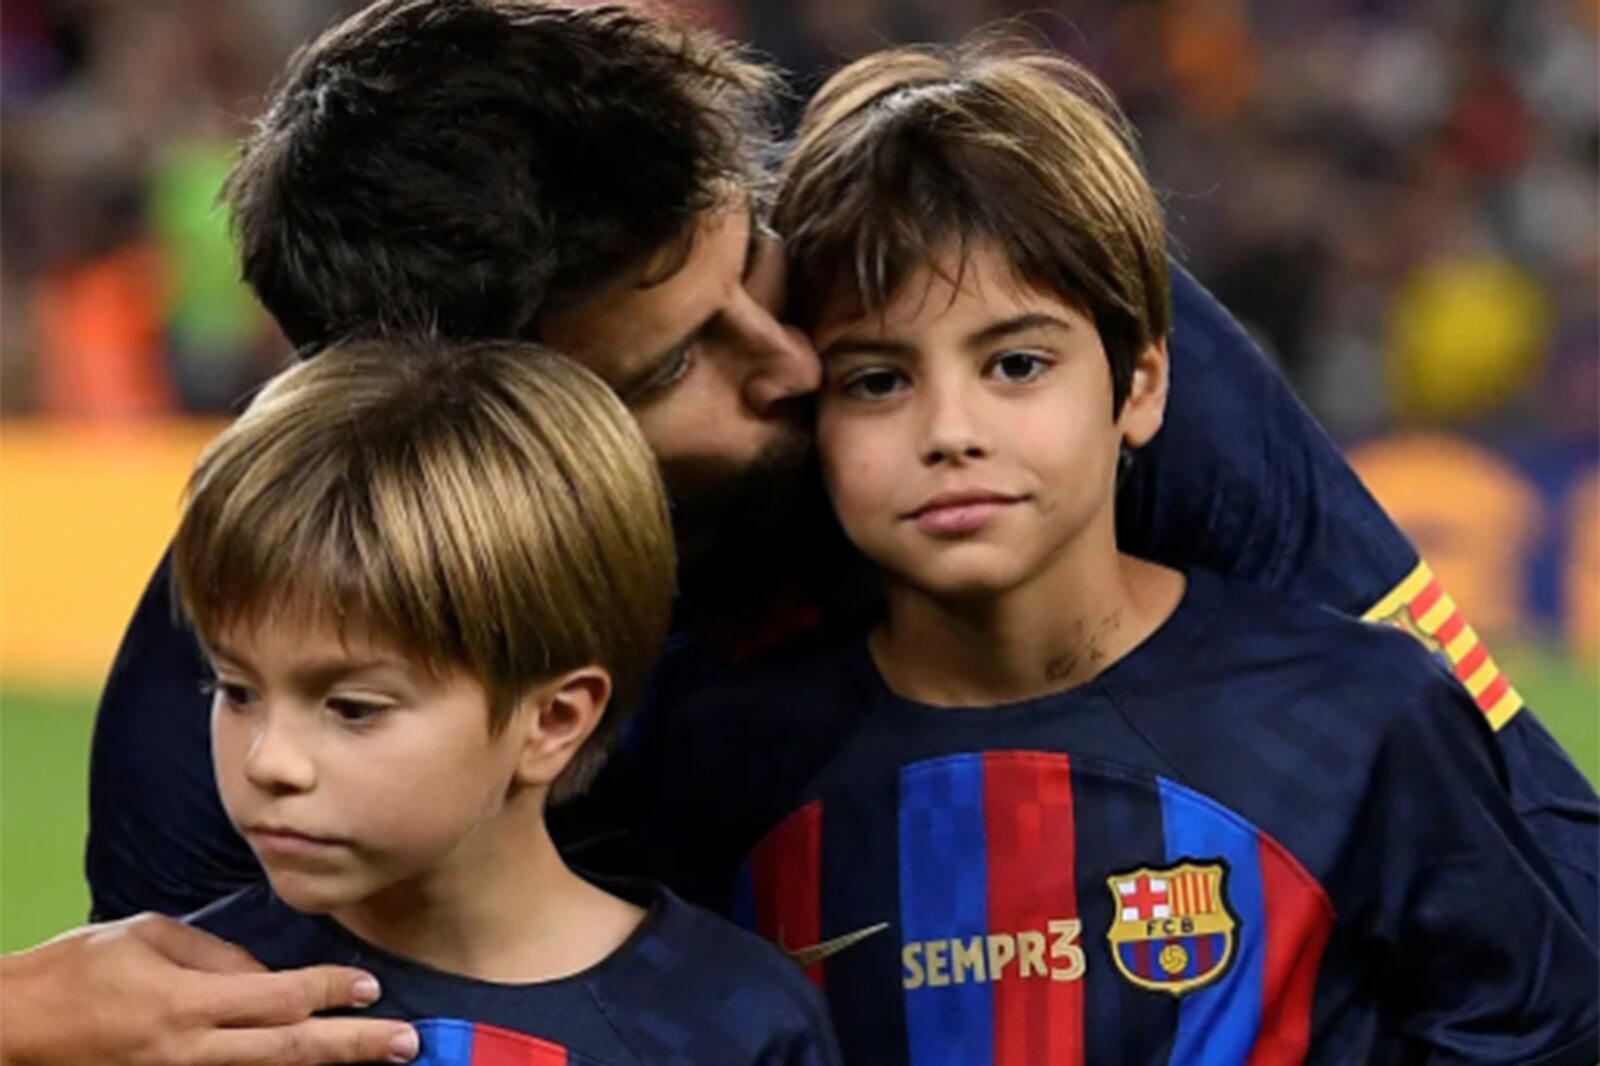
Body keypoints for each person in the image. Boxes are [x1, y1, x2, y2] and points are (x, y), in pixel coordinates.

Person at [6, 1, 1590, 1063]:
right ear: (479, 426)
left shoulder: (1011, 321)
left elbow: (1543, 863)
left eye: (751, 259)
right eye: (673, 365)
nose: (796, 359)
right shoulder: (266, 633)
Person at [640, 43, 1596, 1062]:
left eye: (1016, 364)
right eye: (877, 381)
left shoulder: (1362, 720)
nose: (951, 430)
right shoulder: (715, 756)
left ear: (1140, 385)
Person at [177, 338, 841, 1064]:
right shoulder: (179, 1006)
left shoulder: (735, 1022)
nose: (268, 761)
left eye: (354, 708)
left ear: (554, 720)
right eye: (236, 689)